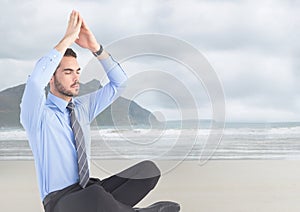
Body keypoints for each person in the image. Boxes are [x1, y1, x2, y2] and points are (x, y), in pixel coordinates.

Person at [20, 10, 180, 212]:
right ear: (51, 78)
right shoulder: (38, 115)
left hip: (90, 190)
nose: (75, 77)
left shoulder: (82, 108)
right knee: (96, 195)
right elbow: (35, 81)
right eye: (68, 72)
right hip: (60, 202)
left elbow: (119, 84)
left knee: (148, 171)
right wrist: (67, 39)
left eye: (77, 71)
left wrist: (96, 48)